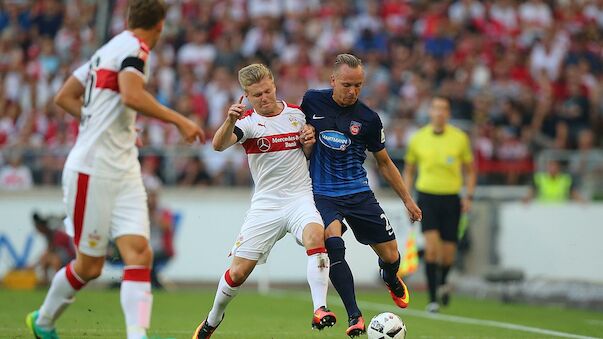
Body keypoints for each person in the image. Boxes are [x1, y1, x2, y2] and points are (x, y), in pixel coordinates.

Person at [26, 1, 205, 338]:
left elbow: (65, 96)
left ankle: (137, 335)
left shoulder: (107, 49)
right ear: (160, 26)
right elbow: (131, 95)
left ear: (128, 19)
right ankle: (43, 321)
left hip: (124, 172)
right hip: (91, 172)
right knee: (89, 266)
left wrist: (109, 126)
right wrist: (179, 120)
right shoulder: (136, 50)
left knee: (139, 253)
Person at [192, 64, 335, 339]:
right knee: (238, 273)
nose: (265, 98)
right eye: (257, 95)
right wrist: (229, 121)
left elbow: (308, 152)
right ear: (246, 95)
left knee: (317, 235)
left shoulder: (297, 114)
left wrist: (309, 142)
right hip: (266, 205)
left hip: (299, 198)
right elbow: (218, 145)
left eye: (268, 90)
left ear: (274, 85)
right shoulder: (246, 122)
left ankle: (320, 308)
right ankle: (212, 319)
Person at [300, 53, 422, 337]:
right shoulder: (311, 101)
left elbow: (384, 162)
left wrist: (407, 199)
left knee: (391, 255)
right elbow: (294, 128)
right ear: (333, 80)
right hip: (323, 194)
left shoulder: (368, 119)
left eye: (358, 85)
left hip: (358, 193)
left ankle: (390, 277)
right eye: (346, 85)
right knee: (332, 242)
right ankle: (354, 316)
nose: (352, 91)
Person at [403, 96, 476, 313]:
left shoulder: (460, 138)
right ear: (430, 112)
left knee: (448, 253)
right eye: (435, 108)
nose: (439, 113)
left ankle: (443, 281)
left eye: (443, 109)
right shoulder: (418, 138)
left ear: (449, 113)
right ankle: (433, 298)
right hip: (427, 196)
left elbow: (470, 170)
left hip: (451, 198)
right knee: (432, 249)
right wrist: (408, 196)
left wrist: (469, 196)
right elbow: (409, 169)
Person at [31, 212, 76, 285]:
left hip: (70, 257)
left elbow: (53, 251)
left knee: (53, 259)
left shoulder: (57, 235)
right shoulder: (48, 235)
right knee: (46, 258)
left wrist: (35, 264)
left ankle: (58, 283)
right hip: (61, 256)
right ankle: (45, 280)